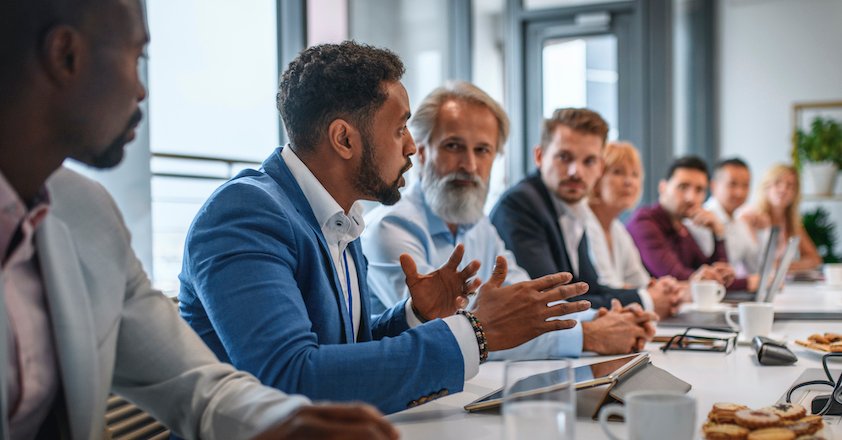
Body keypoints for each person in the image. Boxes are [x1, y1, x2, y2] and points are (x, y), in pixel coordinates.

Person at [0, 0, 399, 439]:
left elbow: (196, 385)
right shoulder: (249, 211)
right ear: (65, 55)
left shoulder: (88, 214)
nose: (141, 91)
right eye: (137, 58)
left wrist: (279, 421)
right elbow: (289, 370)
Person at [178, 42, 591, 415]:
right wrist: (476, 332)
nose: (412, 146)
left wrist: (415, 315)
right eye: (399, 129)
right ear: (344, 139)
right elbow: (290, 378)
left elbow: (341, 350)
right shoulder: (245, 213)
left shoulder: (340, 216)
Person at [362, 82, 656, 357]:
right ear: (423, 152)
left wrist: (607, 318)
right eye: (453, 146)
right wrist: (587, 334)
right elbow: (449, 333)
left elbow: (527, 301)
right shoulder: (392, 227)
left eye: (482, 150)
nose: (470, 165)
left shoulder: (479, 224)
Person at [490, 108, 682, 318]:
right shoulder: (521, 204)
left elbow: (587, 287)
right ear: (539, 156)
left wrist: (645, 294)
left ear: (600, 167)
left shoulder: (574, 207)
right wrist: (646, 300)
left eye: (589, 161)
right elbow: (554, 300)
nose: (576, 172)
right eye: (564, 157)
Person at [626, 156, 740, 290]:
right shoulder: (644, 223)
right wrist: (749, 282)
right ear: (663, 187)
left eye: (699, 190)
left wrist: (718, 235)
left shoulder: (682, 229)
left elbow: (715, 275)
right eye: (683, 187)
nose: (691, 198)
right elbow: (675, 275)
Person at [586, 141, 665, 289]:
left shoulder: (617, 229)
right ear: (596, 178)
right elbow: (605, 288)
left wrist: (661, 288)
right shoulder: (583, 223)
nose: (629, 182)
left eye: (635, 174)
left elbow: (639, 279)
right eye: (618, 172)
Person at [744, 164, 822, 272]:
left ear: (795, 193)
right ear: (766, 187)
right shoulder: (751, 217)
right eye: (777, 183)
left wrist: (783, 266)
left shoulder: (792, 224)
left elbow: (815, 259)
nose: (783, 189)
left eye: (790, 185)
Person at [699, 158, 764, 278]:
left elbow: (756, 267)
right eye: (732, 184)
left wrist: (758, 231)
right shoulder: (702, 221)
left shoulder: (739, 222)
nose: (739, 192)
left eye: (745, 185)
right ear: (713, 186)